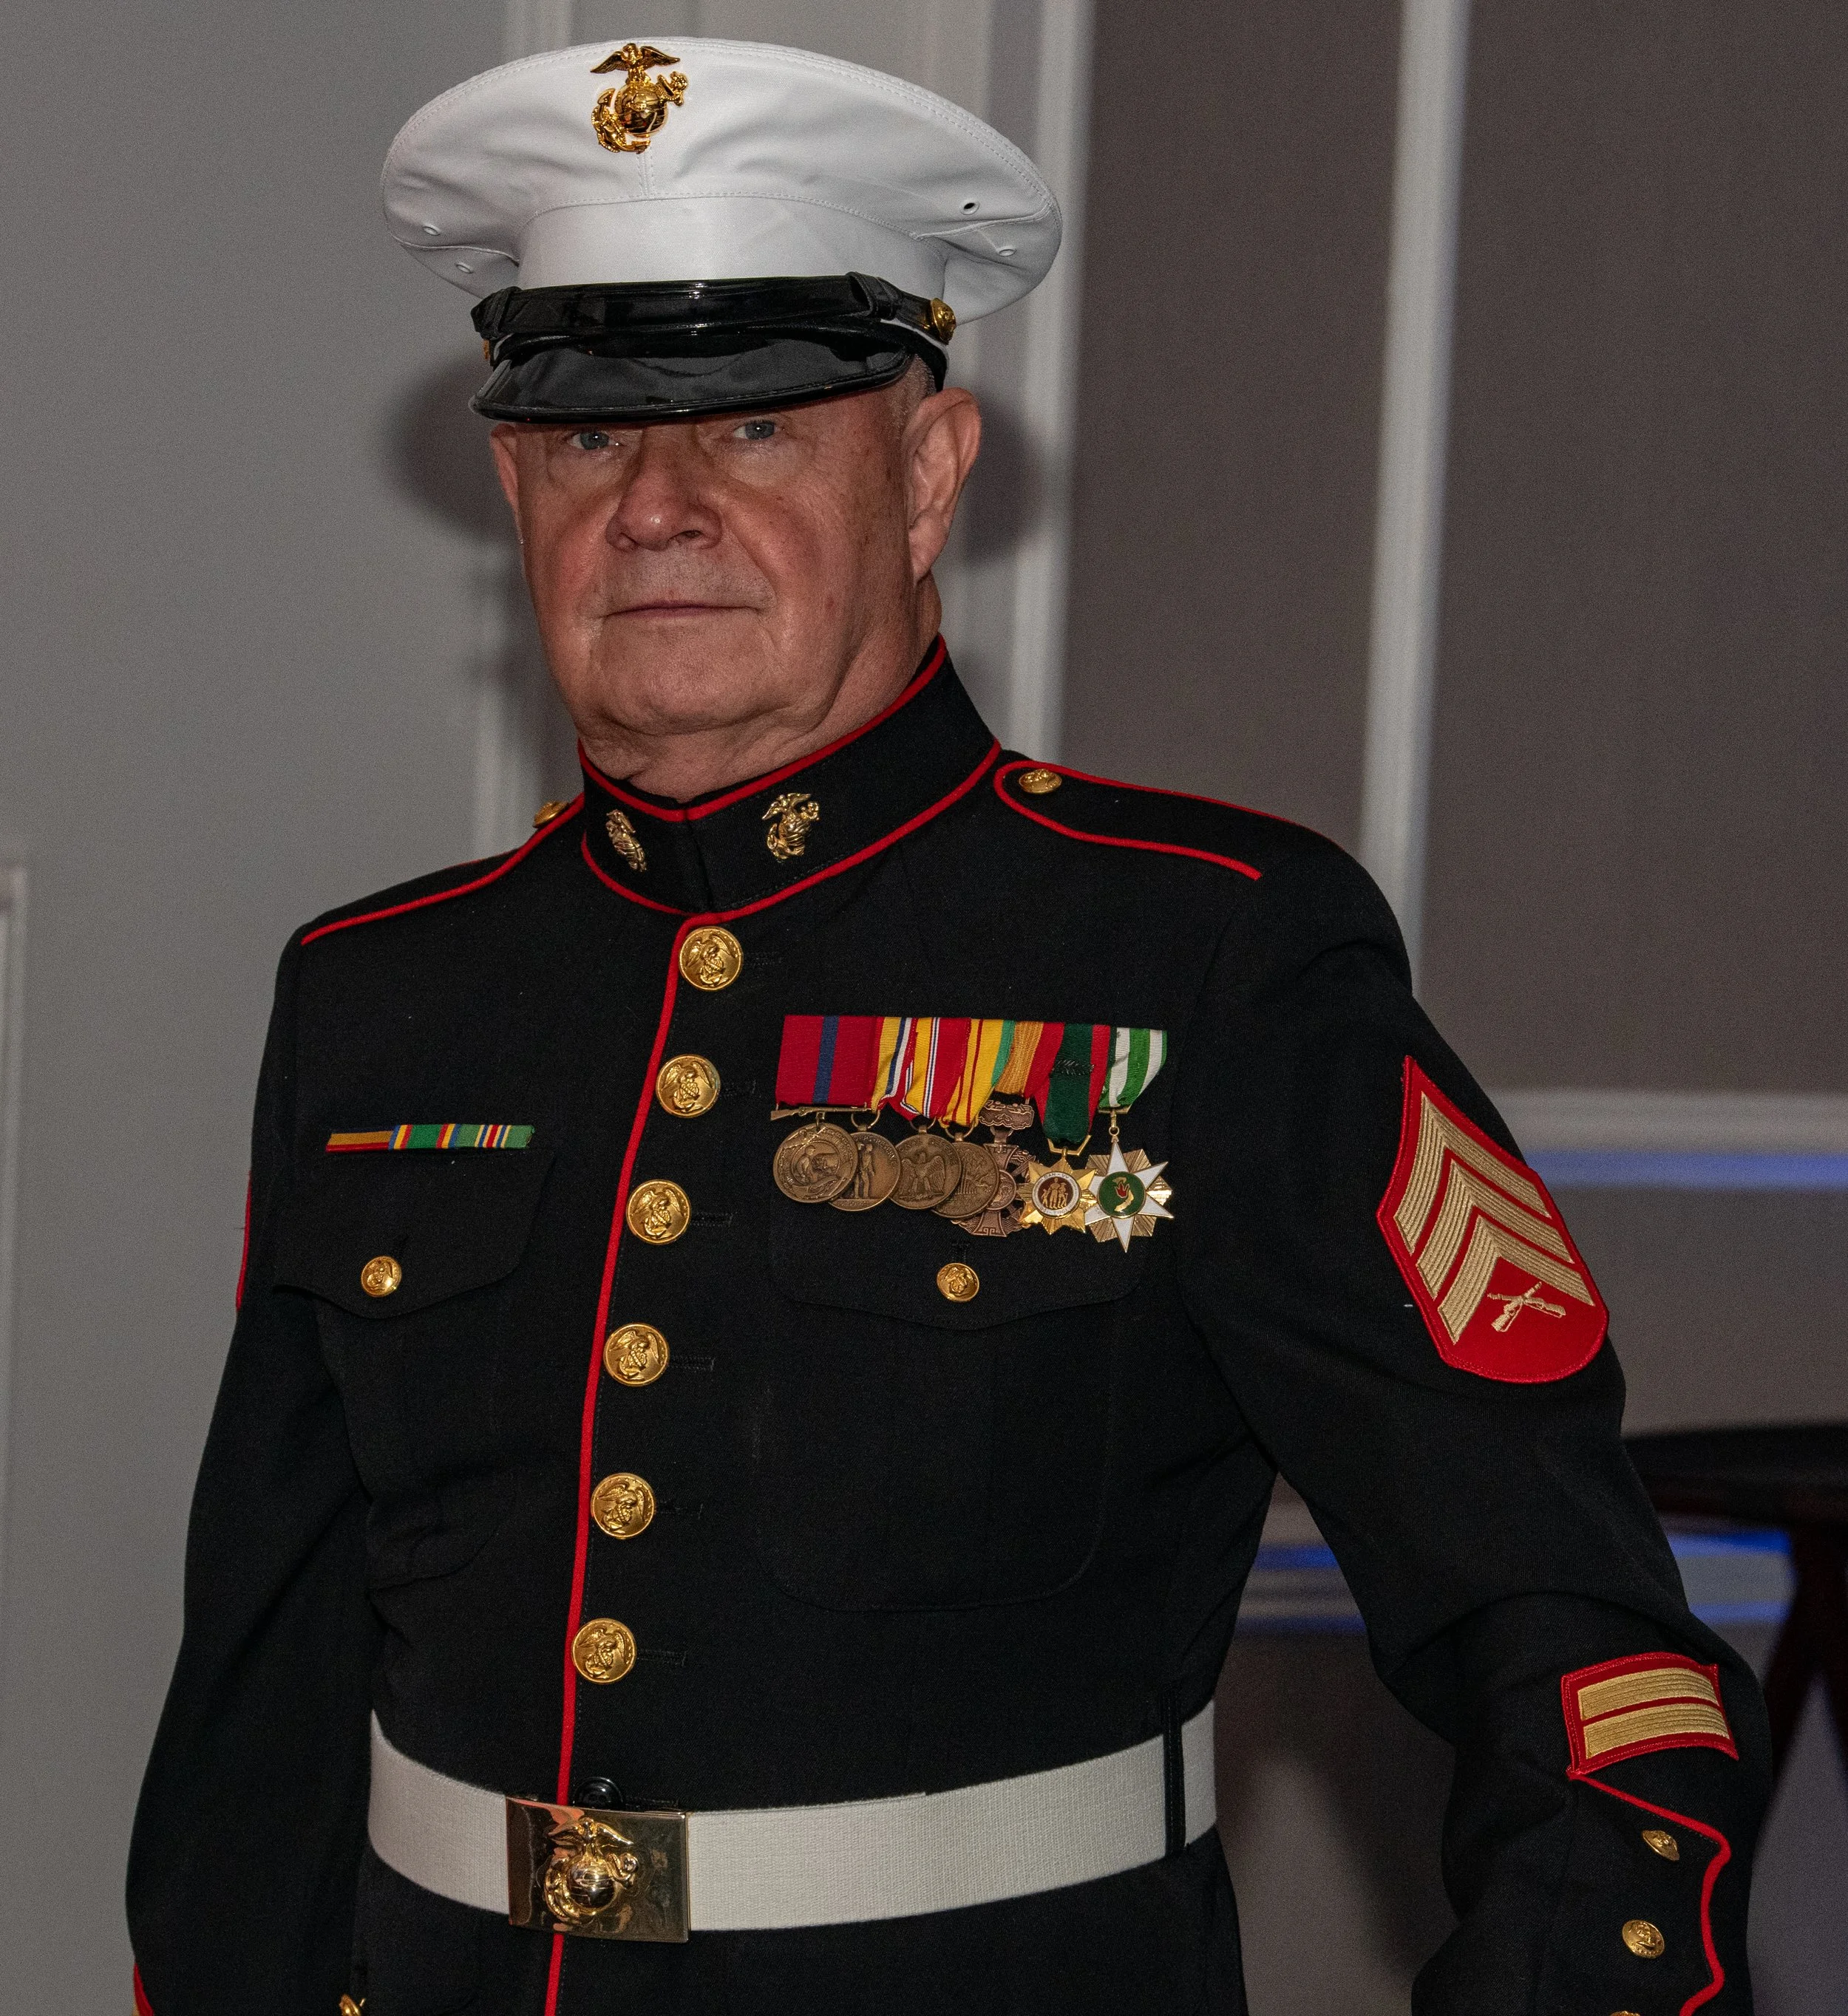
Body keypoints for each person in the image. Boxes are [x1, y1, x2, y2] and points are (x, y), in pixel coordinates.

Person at [127, 37, 1769, 2016]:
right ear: (510, 482)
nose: (653, 510)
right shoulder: (386, 994)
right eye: (586, 443)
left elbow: (1560, 1626)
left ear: (923, 477)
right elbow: (271, 1679)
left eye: (749, 433)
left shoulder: (1201, 957)